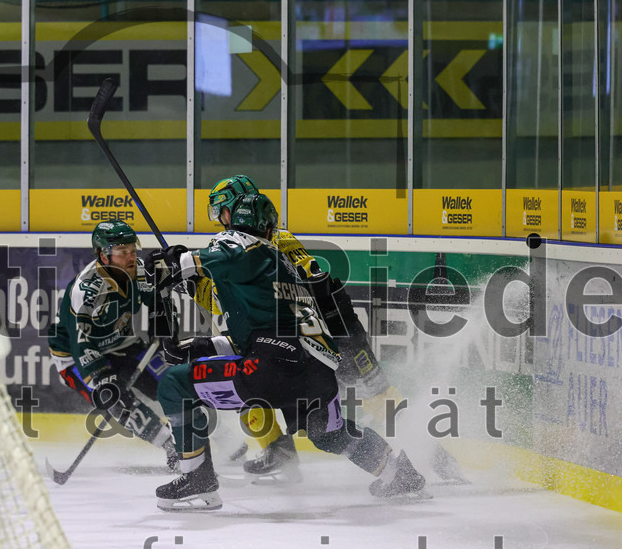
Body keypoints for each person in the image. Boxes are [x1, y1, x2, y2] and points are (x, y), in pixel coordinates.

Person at [149, 193, 427, 510]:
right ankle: (400, 474)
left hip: (272, 371)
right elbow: (257, 336)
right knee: (329, 434)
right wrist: (203, 346)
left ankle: (198, 480)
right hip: (317, 372)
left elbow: (210, 258)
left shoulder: (241, 244)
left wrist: (176, 261)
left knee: (174, 384)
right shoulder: (282, 265)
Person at [190, 175, 467, 485]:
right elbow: (227, 301)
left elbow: (308, 284)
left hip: (332, 329)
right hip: (305, 338)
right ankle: (278, 449)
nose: (218, 220)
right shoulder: (239, 246)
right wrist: (198, 285)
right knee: (256, 391)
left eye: (221, 211)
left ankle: (439, 459)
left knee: (376, 397)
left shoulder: (265, 241)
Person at [48, 220, 177, 469]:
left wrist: (164, 314)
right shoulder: (86, 290)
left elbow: (157, 299)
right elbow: (80, 343)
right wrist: (102, 374)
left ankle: (209, 438)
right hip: (75, 356)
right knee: (118, 402)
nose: (130, 257)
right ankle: (170, 446)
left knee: (172, 382)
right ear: (103, 255)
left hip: (122, 343)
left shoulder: (139, 271)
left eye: (132, 250)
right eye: (122, 252)